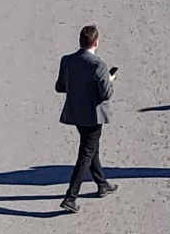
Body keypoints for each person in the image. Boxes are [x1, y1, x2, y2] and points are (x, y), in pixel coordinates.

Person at [55, 25, 117, 214]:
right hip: (93, 116)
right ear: (96, 42)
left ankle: (102, 184)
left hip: (75, 114)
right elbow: (106, 94)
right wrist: (109, 79)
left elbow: (60, 87)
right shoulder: (98, 65)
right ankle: (70, 197)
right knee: (86, 154)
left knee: (91, 149)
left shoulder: (67, 60)